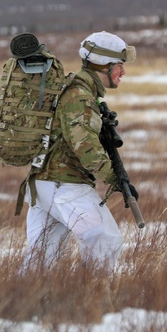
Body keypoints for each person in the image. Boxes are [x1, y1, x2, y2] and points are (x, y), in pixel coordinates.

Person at [22, 31, 138, 271]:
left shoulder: (78, 91)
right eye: (119, 66)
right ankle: (99, 303)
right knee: (105, 242)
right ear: (103, 66)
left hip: (43, 186)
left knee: (41, 262)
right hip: (64, 185)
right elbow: (85, 147)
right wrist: (115, 177)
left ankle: (24, 303)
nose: (123, 72)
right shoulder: (79, 96)